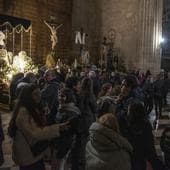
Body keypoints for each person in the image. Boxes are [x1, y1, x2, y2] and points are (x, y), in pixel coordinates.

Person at [8, 84, 69, 170]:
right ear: (28, 96)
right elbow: (36, 133)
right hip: (28, 154)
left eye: (39, 93)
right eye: (35, 94)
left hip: (33, 153)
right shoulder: (24, 112)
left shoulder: (31, 107)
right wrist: (58, 128)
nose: (39, 96)